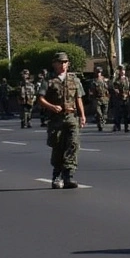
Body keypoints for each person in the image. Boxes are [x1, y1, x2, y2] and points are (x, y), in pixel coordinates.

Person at [38, 52, 86, 189]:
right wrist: (51, 106)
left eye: (65, 62)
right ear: (55, 64)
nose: (63, 65)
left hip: (71, 116)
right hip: (56, 118)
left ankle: (68, 175)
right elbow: (40, 98)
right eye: (61, 62)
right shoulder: (49, 80)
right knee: (58, 146)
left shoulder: (74, 80)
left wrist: (82, 115)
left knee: (73, 144)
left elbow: (78, 98)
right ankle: (56, 175)